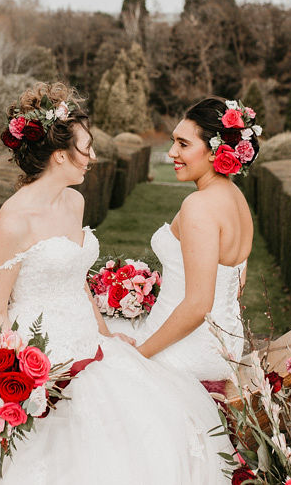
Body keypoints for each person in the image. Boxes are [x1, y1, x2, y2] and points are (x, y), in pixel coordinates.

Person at [0, 83, 230, 484]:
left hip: (90, 346)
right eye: (87, 148)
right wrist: (16, 369)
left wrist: (105, 335)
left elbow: (76, 279)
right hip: (35, 355)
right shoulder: (14, 219)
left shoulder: (74, 202)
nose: (94, 157)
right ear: (61, 155)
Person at [107, 97, 260, 381]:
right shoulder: (237, 199)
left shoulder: (199, 205)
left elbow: (198, 305)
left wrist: (138, 355)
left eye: (183, 144)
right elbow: (236, 284)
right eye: (174, 142)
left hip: (186, 350)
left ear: (217, 151)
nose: (172, 152)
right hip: (225, 345)